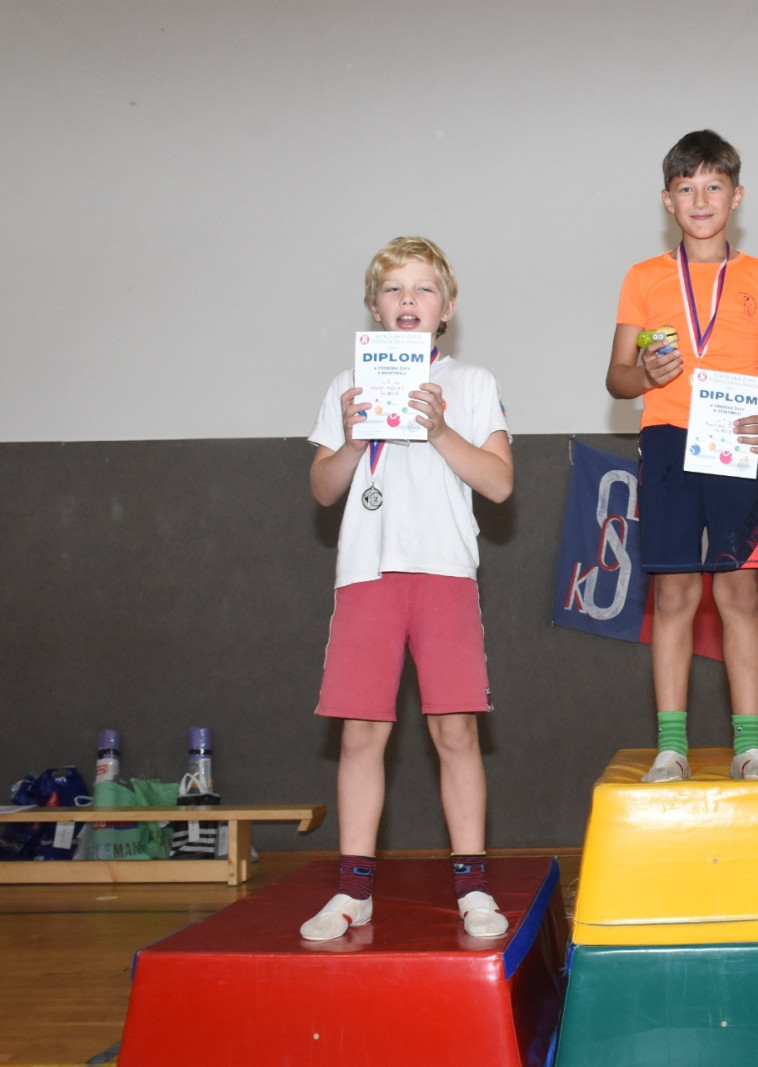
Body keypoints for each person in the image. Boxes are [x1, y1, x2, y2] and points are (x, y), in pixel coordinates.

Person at [300, 236, 514, 942]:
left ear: (446, 308)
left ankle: (473, 886)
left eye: (423, 288)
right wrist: (354, 437)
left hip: (445, 570)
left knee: (456, 729)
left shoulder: (471, 381)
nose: (408, 300)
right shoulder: (345, 385)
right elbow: (323, 489)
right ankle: (353, 891)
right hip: (367, 573)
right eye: (393, 289)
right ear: (374, 307)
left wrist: (440, 428)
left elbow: (499, 483)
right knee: (362, 731)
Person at [605, 130, 758, 783]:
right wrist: (646, 374)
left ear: (736, 196)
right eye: (686, 187)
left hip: (735, 442)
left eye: (713, 186)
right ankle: (671, 747)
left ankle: (750, 747)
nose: (700, 199)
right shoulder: (642, 277)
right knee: (674, 593)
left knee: (739, 590)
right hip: (667, 442)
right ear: (667, 200)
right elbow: (617, 377)